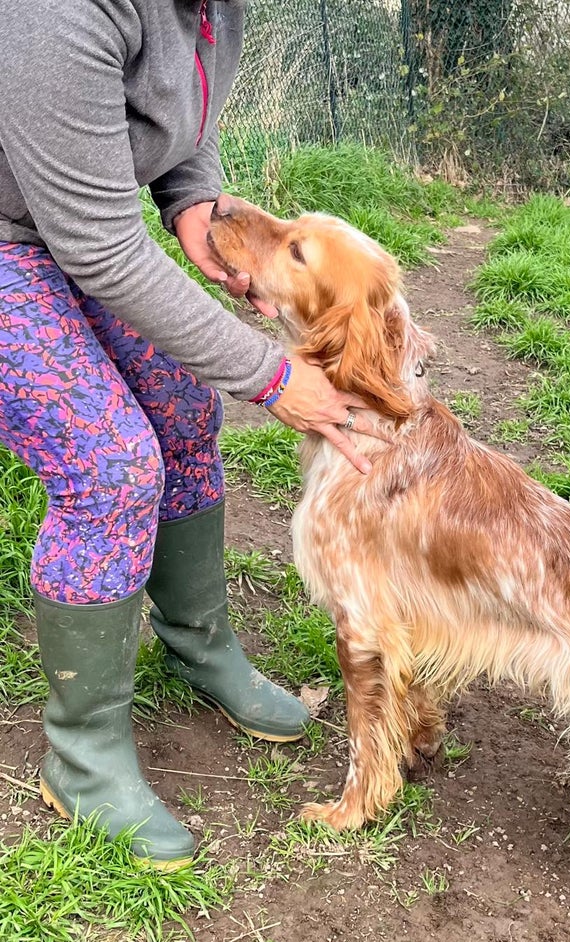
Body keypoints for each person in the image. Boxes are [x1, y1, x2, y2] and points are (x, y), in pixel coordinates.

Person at [0, 0, 380, 870]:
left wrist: (190, 202)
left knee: (180, 407)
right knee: (111, 462)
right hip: (30, 239)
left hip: (64, 230)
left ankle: (197, 642)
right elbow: (99, 244)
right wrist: (274, 374)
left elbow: (181, 122)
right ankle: (85, 753)